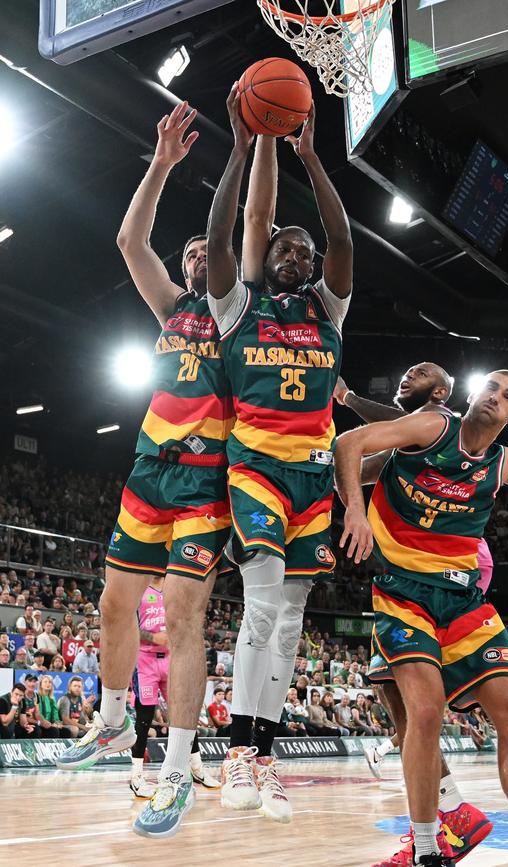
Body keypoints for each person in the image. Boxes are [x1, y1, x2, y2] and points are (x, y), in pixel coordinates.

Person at [335, 369, 508, 866]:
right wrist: (353, 509)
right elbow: (348, 443)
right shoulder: (434, 425)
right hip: (404, 592)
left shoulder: (506, 463)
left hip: (462, 599)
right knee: (425, 711)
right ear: (473, 394)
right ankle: (428, 849)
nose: (496, 398)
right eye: (492, 388)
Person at [55, 102, 233, 840]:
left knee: (185, 620)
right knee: (111, 605)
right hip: (147, 474)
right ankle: (113, 718)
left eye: (204, 252)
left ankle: (177, 769)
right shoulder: (170, 312)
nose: (195, 258)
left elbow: (235, 237)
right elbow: (130, 239)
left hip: (206, 483)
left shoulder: (239, 317)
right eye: (188, 252)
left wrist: (244, 154)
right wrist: (161, 163)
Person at [206, 87, 352, 824]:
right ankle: (235, 750)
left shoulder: (327, 308)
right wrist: (240, 149)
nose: (297, 255)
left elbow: (344, 243)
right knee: (261, 611)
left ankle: (266, 758)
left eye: (306, 250)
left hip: (315, 482)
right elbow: (232, 233)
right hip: (258, 471)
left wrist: (312, 159)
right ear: (269, 258)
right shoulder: (239, 304)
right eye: (285, 248)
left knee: (291, 625)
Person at [336, 366, 494, 865]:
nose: (409, 374)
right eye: (406, 371)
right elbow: (359, 464)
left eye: (423, 372)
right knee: (394, 699)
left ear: (444, 393)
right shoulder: (408, 446)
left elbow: (385, 430)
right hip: (414, 571)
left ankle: (439, 824)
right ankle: (451, 812)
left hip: (442, 570)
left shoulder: (440, 421)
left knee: (415, 705)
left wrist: (351, 398)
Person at [130, 579, 220, 799]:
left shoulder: (175, 586)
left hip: (172, 659)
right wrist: (153, 637)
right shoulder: (138, 587)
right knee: (144, 718)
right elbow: (127, 626)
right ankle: (136, 777)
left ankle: (197, 768)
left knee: (184, 717)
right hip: (145, 660)